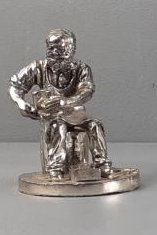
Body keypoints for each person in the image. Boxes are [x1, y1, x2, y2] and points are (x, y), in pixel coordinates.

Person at [9, 29, 113, 179]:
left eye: (59, 48)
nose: (54, 52)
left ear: (71, 49)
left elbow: (87, 91)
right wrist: (20, 102)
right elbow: (15, 86)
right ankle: (56, 168)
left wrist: (65, 102)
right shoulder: (38, 67)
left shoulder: (82, 69)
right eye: (51, 48)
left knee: (94, 125)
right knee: (58, 126)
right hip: (52, 116)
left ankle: (101, 164)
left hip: (75, 114)